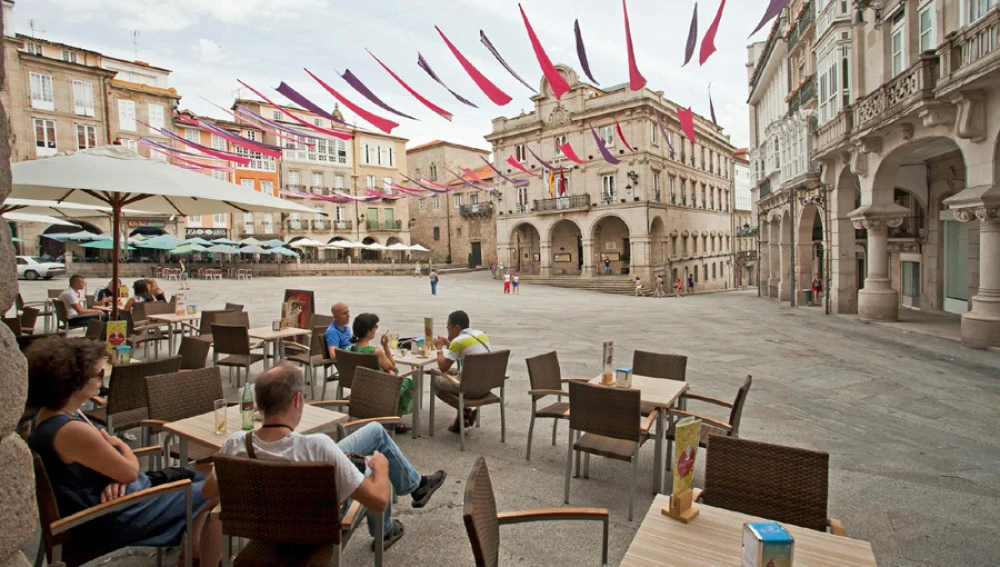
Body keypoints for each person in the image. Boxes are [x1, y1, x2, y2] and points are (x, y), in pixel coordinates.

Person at [201, 365, 446, 552]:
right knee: (372, 462)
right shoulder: (318, 447)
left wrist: (259, 482)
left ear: (259, 405)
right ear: (297, 399)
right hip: (318, 521)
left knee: (374, 430)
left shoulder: (235, 444)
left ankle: (416, 485)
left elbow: (209, 491)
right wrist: (380, 469)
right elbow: (377, 502)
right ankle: (386, 528)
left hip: (270, 521)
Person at [26, 336, 220, 565]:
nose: (103, 377)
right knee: (219, 487)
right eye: (98, 374)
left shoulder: (51, 416)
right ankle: (202, 557)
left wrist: (116, 473)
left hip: (110, 503)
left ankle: (191, 553)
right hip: (112, 517)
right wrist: (123, 448)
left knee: (203, 476)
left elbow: (108, 465)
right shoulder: (71, 430)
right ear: (73, 381)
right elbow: (127, 471)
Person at [348, 313, 413, 434]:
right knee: (408, 383)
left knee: (393, 374)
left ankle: (392, 418)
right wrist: (386, 347)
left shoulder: (348, 349)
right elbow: (391, 364)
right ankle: (394, 419)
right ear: (369, 331)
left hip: (359, 388)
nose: (376, 329)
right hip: (378, 388)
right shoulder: (375, 351)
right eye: (375, 327)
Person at [431, 310, 491, 433]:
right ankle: (460, 420)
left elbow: (443, 366)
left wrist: (439, 349)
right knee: (455, 372)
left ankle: (465, 410)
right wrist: (449, 343)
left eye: (449, 326)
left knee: (436, 381)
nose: (447, 329)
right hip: (487, 384)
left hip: (471, 388)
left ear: (457, 327)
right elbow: (463, 349)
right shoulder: (480, 334)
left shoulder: (458, 342)